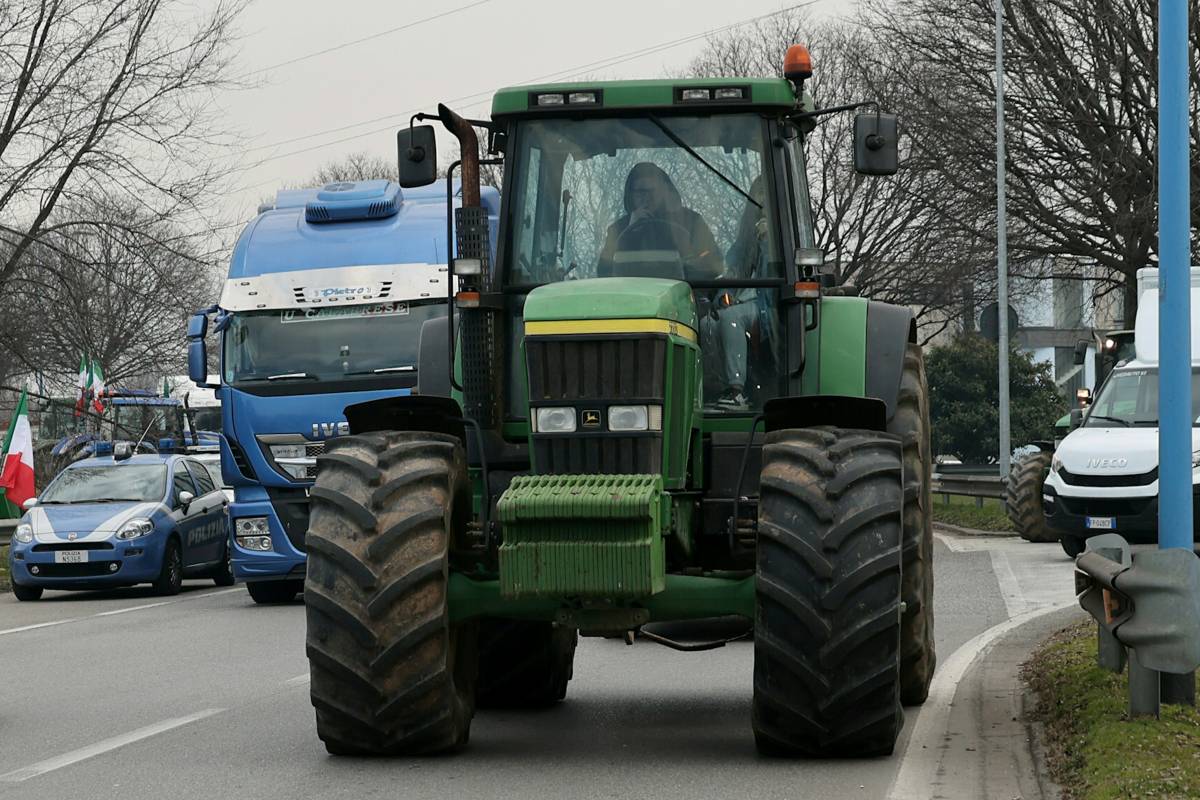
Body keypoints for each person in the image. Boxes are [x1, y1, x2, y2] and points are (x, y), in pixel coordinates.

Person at [708, 175, 775, 411]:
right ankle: (716, 390)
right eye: (759, 195)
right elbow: (733, 273)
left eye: (767, 195)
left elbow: (772, 273)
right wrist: (723, 295)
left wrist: (767, 241)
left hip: (769, 304)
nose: (763, 201)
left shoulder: (779, 237)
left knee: (730, 319)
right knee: (708, 322)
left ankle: (737, 391)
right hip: (743, 301)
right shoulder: (744, 239)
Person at [597, 162, 723, 281]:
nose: (647, 197)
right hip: (630, 298)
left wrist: (687, 266)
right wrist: (629, 232)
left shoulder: (691, 222)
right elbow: (604, 271)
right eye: (640, 192)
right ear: (630, 195)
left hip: (685, 295)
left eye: (652, 191)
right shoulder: (619, 229)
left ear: (664, 192)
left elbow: (714, 263)